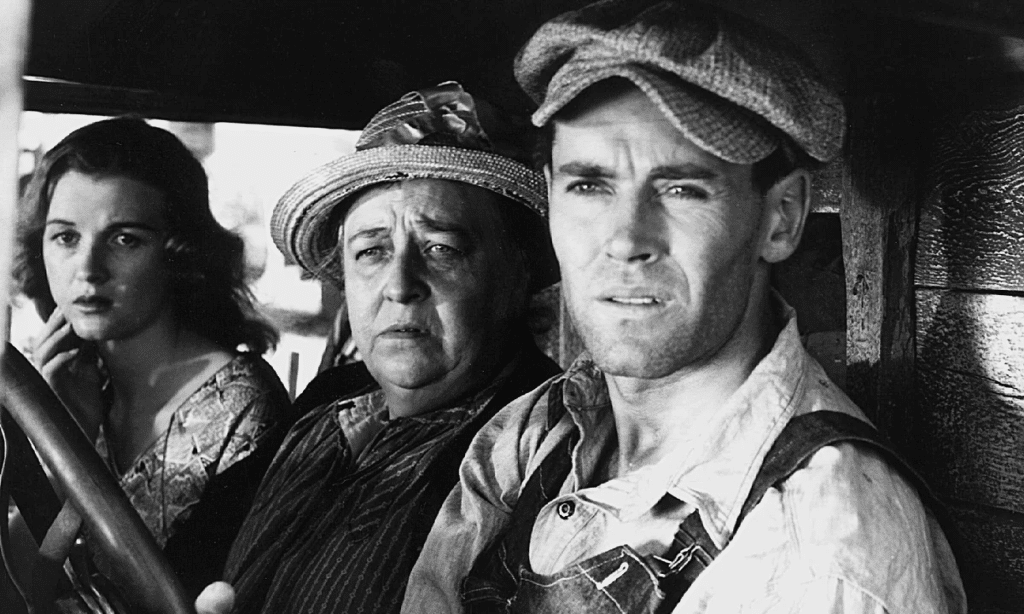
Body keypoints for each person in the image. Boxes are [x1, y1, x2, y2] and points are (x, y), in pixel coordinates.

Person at [402, 2, 967, 613]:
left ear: (781, 218)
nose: (625, 240)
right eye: (589, 185)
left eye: (680, 189)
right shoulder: (537, 431)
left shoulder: (815, 557)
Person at [197, 82, 561, 614]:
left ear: (517, 273)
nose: (399, 285)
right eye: (371, 251)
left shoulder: (540, 447)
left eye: (441, 249)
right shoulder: (327, 403)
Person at [12, 117, 293, 599]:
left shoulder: (240, 406)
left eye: (124, 239)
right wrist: (68, 439)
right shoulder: (78, 384)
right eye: (65, 237)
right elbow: (23, 583)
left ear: (179, 252)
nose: (88, 269)